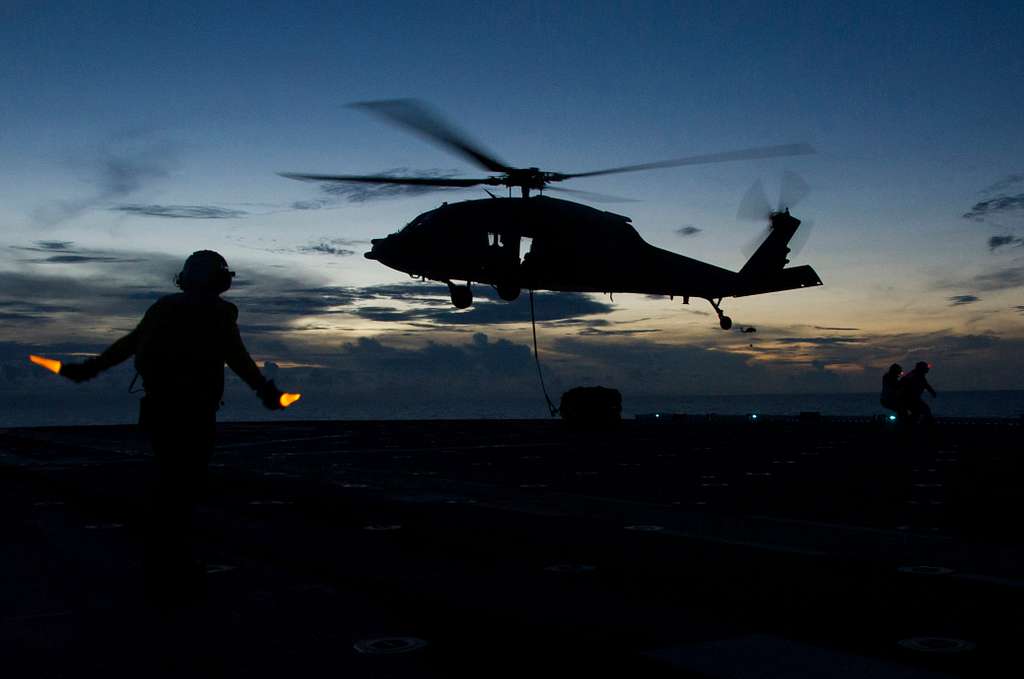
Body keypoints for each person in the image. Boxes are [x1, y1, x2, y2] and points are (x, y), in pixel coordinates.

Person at [60, 250, 292, 601]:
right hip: (195, 410)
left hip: (162, 407)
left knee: (170, 480)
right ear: (220, 279)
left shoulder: (166, 307)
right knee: (185, 482)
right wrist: (264, 390)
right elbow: (238, 358)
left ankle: (164, 556)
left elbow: (131, 343)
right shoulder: (221, 313)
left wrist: (93, 368)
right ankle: (174, 558)